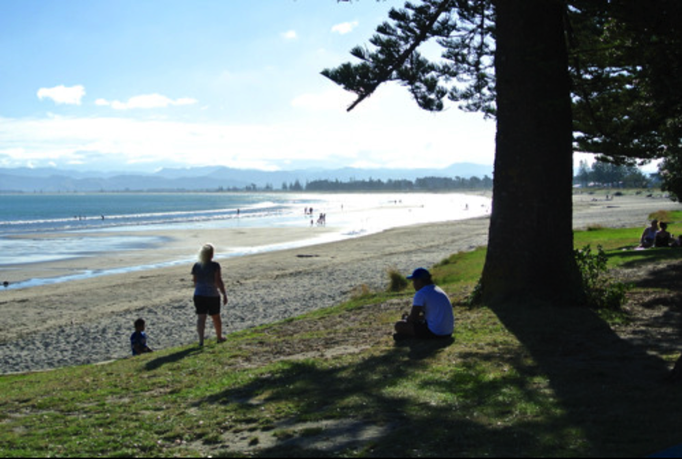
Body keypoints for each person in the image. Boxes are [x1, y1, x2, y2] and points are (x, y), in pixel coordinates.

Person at [394, 268, 454, 340]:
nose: (413, 284)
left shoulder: (421, 293)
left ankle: (407, 336)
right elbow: (429, 315)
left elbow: (413, 317)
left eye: (414, 281)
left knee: (399, 325)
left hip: (435, 332)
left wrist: (406, 319)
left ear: (419, 281)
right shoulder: (437, 289)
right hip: (448, 332)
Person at [191, 243, 228, 346]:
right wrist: (224, 293)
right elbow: (218, 281)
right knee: (216, 317)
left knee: (201, 317)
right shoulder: (215, 265)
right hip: (212, 294)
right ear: (211, 254)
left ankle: (201, 341)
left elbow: (195, 281)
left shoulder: (197, 265)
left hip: (199, 294)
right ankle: (219, 337)